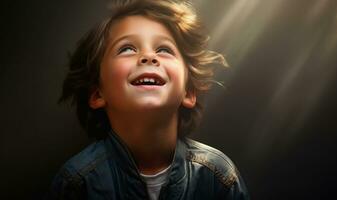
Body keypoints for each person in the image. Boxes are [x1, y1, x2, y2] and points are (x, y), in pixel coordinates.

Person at [46, 0, 249, 199]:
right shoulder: (77, 185)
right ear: (98, 94)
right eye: (127, 48)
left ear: (188, 92)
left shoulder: (218, 178)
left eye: (164, 50)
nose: (149, 57)